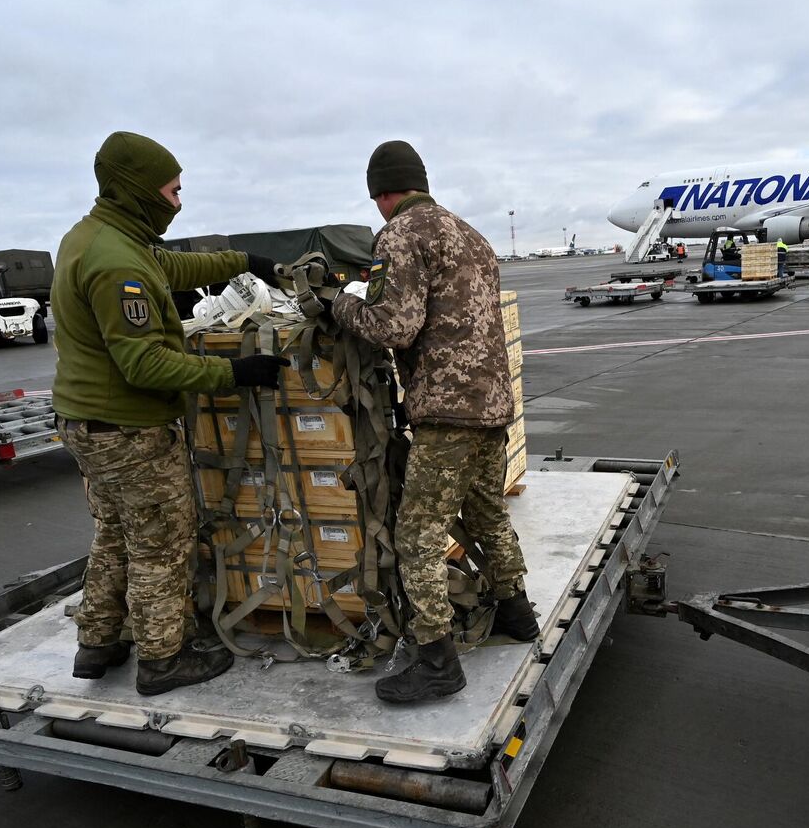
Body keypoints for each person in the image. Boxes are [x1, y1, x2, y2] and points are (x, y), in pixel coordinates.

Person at [51, 131, 290, 697]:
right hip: (128, 429)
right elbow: (143, 363)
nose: (178, 202)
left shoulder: (96, 238)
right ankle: (164, 657)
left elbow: (171, 268)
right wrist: (234, 374)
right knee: (161, 540)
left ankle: (99, 641)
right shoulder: (116, 263)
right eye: (173, 191)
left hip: (86, 422)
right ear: (138, 189)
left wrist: (246, 262)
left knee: (115, 533)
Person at [331, 140, 536, 704]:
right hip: (491, 405)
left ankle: (436, 660)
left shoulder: (400, 234)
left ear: (381, 193)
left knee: (418, 534)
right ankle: (517, 612)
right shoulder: (470, 233)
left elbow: (392, 325)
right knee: (487, 510)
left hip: (447, 412)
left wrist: (338, 305)